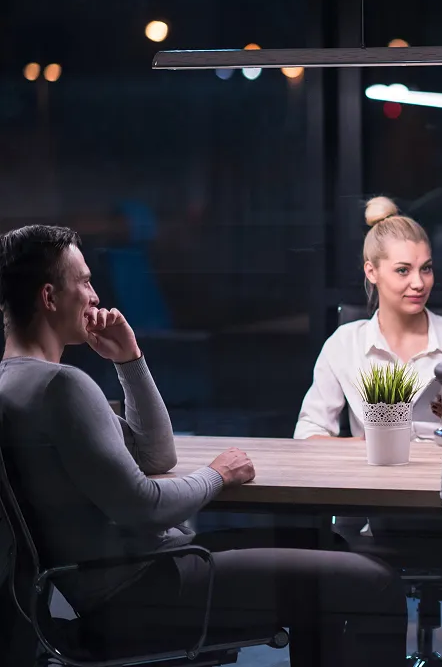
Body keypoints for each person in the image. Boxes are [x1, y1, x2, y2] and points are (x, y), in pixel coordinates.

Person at [0, 225, 408, 667]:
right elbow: (144, 506)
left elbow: (158, 456)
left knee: (324, 544)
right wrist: (219, 474)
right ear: (48, 297)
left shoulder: (19, 381)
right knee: (377, 583)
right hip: (144, 593)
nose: (95, 295)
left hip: (134, 580)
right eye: (83, 281)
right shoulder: (61, 387)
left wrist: (130, 360)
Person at [294, 196, 442, 441]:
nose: (419, 283)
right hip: (372, 475)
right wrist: (370, 446)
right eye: (402, 270)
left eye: (426, 268)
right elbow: (309, 431)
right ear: (371, 272)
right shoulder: (345, 344)